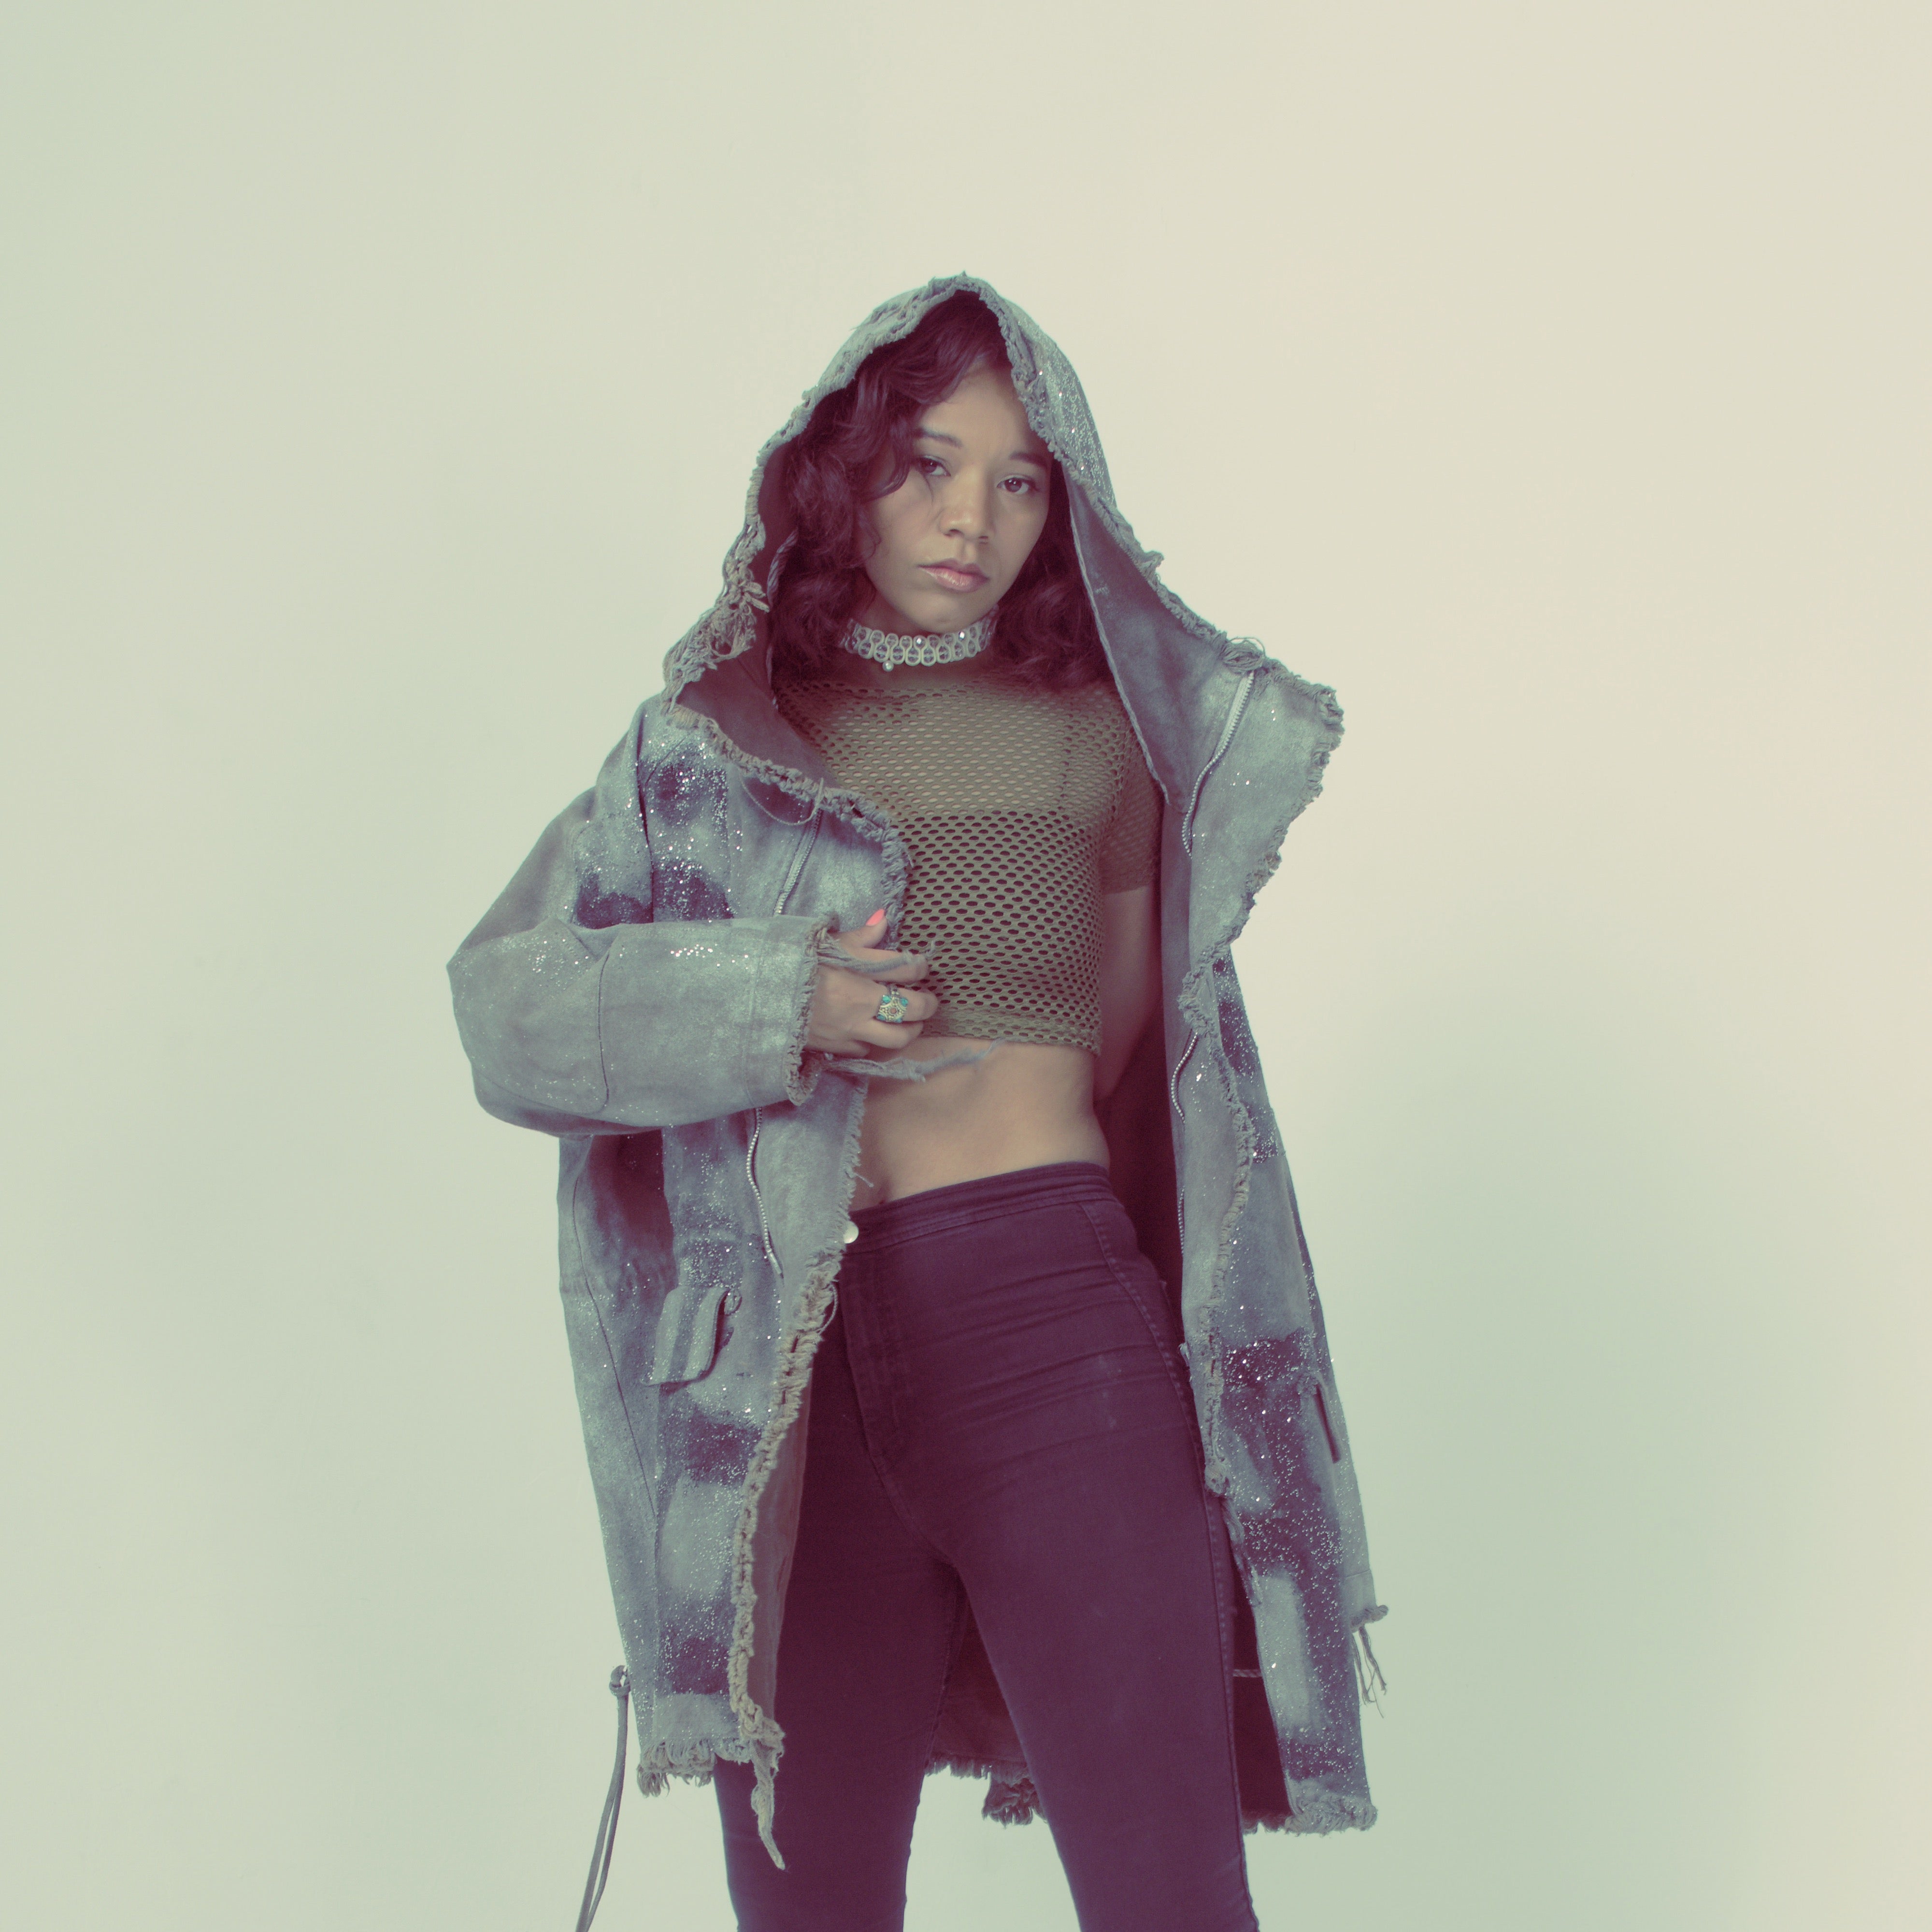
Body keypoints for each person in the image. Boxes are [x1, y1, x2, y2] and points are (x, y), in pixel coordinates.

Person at [448, 278, 1385, 1932]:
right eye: (930, 466)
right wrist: (778, 1005)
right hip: (784, 1385)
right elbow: (510, 1009)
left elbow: (1118, 1042)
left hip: (1049, 1328)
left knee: (1170, 1900)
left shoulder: (1096, 737)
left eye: (1019, 482)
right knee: (807, 1909)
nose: (972, 520)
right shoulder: (709, 751)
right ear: (846, 472)